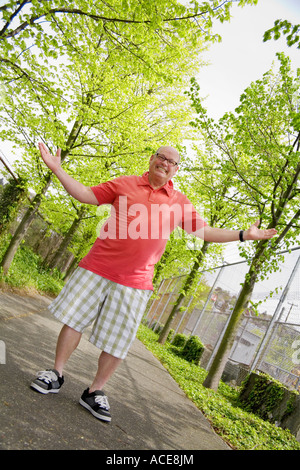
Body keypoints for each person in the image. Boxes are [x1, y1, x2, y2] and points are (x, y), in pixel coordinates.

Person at [30, 143, 277, 422]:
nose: (165, 163)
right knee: (73, 321)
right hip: (97, 268)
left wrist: (244, 234)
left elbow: (205, 232)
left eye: (172, 161)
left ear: (176, 169)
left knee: (118, 341)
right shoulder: (124, 184)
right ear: (151, 159)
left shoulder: (179, 202)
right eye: (161, 157)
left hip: (136, 282)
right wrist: (57, 169)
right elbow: (86, 195)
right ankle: (56, 373)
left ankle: (95, 391)